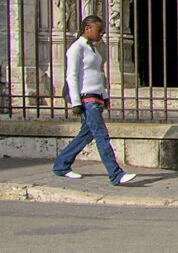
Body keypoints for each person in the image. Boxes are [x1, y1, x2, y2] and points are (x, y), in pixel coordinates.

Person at [53, 15, 136, 185]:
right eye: (99, 30)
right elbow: (72, 77)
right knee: (101, 135)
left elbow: (97, 74)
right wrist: (76, 103)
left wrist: (104, 96)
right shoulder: (76, 49)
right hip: (86, 99)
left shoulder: (93, 48)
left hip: (96, 98)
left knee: (86, 134)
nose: (102, 34)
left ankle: (61, 164)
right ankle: (115, 174)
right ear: (87, 29)